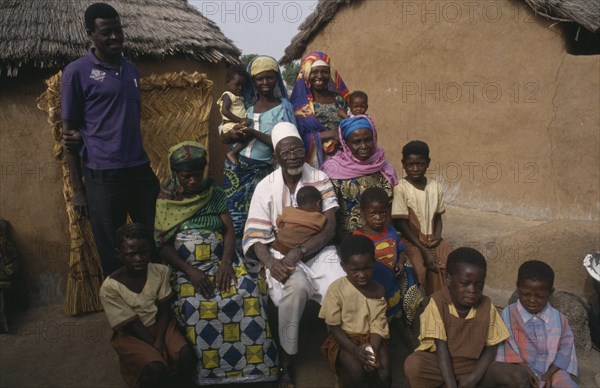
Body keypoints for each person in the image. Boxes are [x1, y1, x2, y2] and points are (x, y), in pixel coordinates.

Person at [154, 142, 278, 385]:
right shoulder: (166, 198)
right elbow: (162, 244)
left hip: (219, 260)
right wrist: (190, 271)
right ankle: (210, 374)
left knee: (248, 292)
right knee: (192, 304)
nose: (193, 181)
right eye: (186, 176)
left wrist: (226, 263)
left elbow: (229, 230)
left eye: (197, 174)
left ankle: (254, 369)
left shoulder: (214, 192)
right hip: (186, 267)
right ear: (174, 173)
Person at [243, 122, 346, 387]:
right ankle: (287, 358)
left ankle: (344, 351)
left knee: (339, 285)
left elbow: (330, 227)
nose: (293, 156)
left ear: (305, 150)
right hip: (280, 253)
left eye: (298, 150)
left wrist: (300, 251)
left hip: (318, 251)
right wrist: (269, 263)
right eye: (286, 152)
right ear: (276, 157)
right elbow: (255, 234)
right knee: (295, 287)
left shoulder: (319, 178)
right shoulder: (265, 187)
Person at [61, 3, 159, 276]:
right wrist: (78, 190)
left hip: (139, 169)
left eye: (118, 31)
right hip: (102, 174)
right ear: (90, 33)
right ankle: (123, 312)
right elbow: (68, 133)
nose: (115, 37)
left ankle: (155, 302)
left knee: (152, 237)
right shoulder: (76, 73)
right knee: (110, 247)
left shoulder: (131, 70)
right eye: (106, 33)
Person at [404, 247, 530, 388]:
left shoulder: (486, 305)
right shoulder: (437, 303)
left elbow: (491, 347)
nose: (472, 290)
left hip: (473, 366)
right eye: (465, 283)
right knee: (414, 365)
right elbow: (441, 348)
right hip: (441, 365)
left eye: (479, 285)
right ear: (449, 279)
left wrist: (473, 379)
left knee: (519, 376)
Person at [99, 223, 195, 388]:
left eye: (144, 253)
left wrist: (160, 339)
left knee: (186, 356)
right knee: (155, 369)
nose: (138, 258)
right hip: (133, 334)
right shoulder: (110, 288)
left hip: (161, 325)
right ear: (119, 254)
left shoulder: (160, 271)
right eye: (131, 254)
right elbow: (132, 324)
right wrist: (155, 345)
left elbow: (164, 310)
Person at [221, 55, 296, 247]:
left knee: (262, 215)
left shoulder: (283, 107)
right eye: (259, 78)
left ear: (276, 78)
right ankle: (236, 257)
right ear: (252, 81)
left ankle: (260, 258)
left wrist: (253, 131)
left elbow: (285, 142)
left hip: (263, 170)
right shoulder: (246, 105)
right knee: (235, 215)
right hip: (237, 168)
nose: (265, 82)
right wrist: (234, 134)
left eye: (270, 77)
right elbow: (224, 135)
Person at [319, 235, 390, 388]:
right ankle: (342, 378)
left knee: (384, 372)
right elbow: (334, 326)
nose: (362, 275)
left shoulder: (378, 290)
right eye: (355, 270)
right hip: (345, 339)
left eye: (367, 268)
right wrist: (355, 350)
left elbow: (377, 324)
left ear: (374, 263)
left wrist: (373, 351)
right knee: (356, 372)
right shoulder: (336, 290)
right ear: (343, 266)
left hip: (372, 337)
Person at [496, 260, 579, 387]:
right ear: (518, 287)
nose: (532, 300)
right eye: (525, 294)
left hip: (552, 370)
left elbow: (566, 348)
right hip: (520, 369)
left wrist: (549, 374)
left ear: (550, 293)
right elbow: (505, 347)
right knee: (513, 380)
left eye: (540, 296)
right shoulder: (508, 314)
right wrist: (524, 368)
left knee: (566, 384)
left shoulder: (559, 319)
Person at [353, 187, 423, 326]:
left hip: (393, 279)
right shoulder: (358, 237)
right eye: (373, 213)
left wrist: (400, 263)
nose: (378, 218)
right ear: (363, 213)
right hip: (373, 283)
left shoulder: (391, 231)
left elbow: (401, 249)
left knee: (394, 308)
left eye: (383, 213)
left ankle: (400, 324)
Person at [392, 140, 452, 296]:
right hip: (411, 239)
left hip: (432, 238)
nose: (415, 169)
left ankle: (446, 299)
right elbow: (402, 224)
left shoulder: (435, 186)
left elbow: (438, 216)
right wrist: (424, 249)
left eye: (420, 164)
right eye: (410, 164)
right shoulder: (401, 188)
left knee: (451, 260)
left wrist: (438, 236)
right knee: (419, 267)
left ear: (428, 163)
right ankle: (422, 301)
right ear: (403, 164)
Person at [322, 115, 398, 238]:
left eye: (368, 140)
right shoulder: (333, 170)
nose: (364, 146)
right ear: (345, 143)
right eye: (356, 142)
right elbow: (331, 215)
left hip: (385, 238)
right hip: (350, 242)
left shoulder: (384, 167)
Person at [290, 51, 350, 168]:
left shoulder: (339, 99)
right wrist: (330, 134)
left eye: (324, 72)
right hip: (314, 162)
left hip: (344, 158)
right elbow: (298, 137)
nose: (320, 76)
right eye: (314, 72)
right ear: (307, 73)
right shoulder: (299, 104)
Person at [272, 185, 326, 255]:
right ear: (318, 204)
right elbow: (322, 232)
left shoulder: (289, 210)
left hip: (281, 243)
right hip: (299, 249)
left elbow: (278, 222)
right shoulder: (319, 217)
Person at [217, 65, 253, 165]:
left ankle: (233, 152)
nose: (240, 88)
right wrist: (240, 120)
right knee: (244, 134)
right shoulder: (228, 95)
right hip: (230, 125)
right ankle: (233, 152)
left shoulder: (239, 97)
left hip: (236, 124)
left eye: (243, 85)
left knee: (249, 135)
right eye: (237, 84)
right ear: (228, 81)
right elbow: (224, 111)